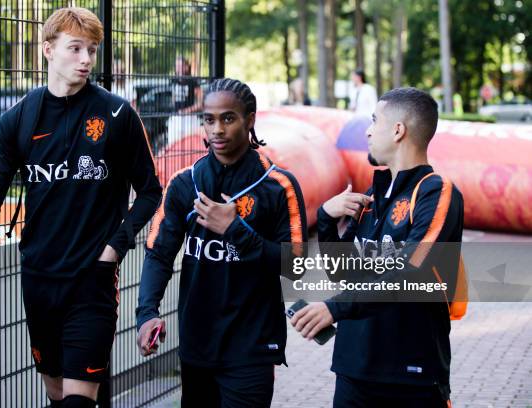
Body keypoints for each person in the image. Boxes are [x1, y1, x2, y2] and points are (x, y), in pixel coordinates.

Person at [0, 8, 162, 407]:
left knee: (78, 399)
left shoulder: (118, 115)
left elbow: (151, 192)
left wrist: (113, 248)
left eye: (92, 49)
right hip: (38, 280)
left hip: (92, 280)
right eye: (76, 48)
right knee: (56, 392)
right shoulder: (18, 118)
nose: (86, 59)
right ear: (48, 50)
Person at [136, 78, 308, 407]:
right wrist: (147, 314)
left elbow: (297, 268)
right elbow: (158, 255)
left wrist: (235, 230)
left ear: (250, 120)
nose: (217, 129)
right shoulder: (185, 184)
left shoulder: (278, 186)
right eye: (209, 119)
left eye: (228, 118)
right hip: (197, 345)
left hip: (252, 349)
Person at [291, 87, 463, 407]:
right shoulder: (373, 195)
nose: (368, 131)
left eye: (374, 120)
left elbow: (411, 271)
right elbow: (344, 276)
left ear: (398, 130)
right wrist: (326, 219)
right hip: (354, 371)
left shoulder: (436, 193)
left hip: (412, 375)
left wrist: (334, 308)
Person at [166, 56, 203, 145]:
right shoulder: (173, 80)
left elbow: (201, 103)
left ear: (186, 67)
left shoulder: (193, 81)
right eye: (177, 66)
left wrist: (187, 110)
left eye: (181, 65)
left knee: (190, 145)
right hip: (175, 118)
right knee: (174, 144)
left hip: (189, 119)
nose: (179, 68)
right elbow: (173, 98)